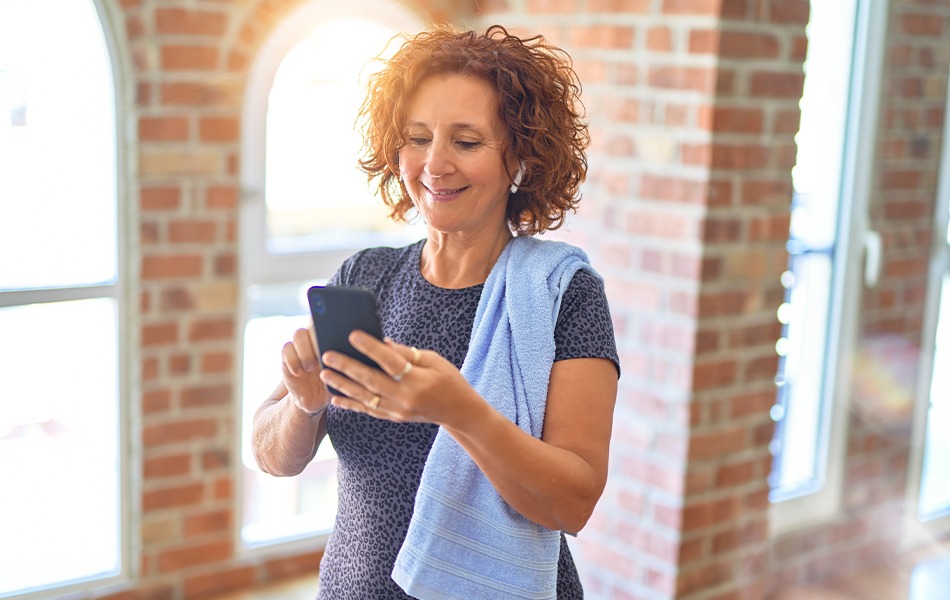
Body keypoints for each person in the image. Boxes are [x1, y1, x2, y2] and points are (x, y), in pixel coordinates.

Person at [251, 24, 619, 600]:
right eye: (417, 137)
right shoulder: (365, 278)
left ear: (519, 156)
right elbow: (271, 458)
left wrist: (462, 412)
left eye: (466, 142)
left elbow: (574, 502)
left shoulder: (561, 294)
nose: (434, 165)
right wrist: (303, 404)